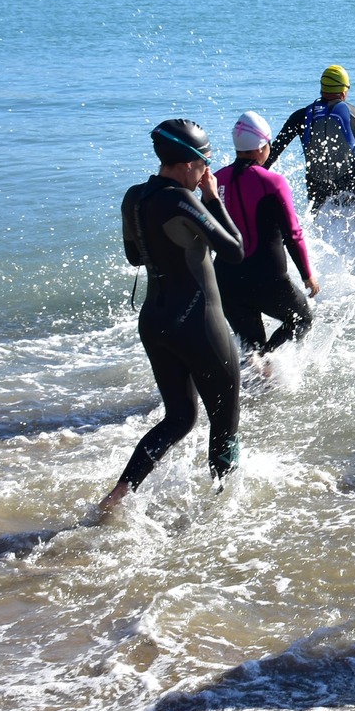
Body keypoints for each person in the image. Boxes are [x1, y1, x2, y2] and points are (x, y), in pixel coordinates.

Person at [98, 120, 246, 516]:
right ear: (186, 163)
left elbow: (134, 255)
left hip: (155, 320)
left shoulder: (134, 197)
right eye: (204, 164)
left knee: (180, 418)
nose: (206, 174)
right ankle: (223, 507)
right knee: (225, 420)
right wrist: (214, 200)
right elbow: (234, 249)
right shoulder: (183, 199)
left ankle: (117, 497)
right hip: (198, 320)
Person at [215, 112, 318, 358]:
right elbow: (293, 234)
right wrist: (307, 275)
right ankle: (268, 362)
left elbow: (206, 232)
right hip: (268, 278)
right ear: (263, 146)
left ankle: (252, 385)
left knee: (251, 349)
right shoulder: (273, 182)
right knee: (302, 319)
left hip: (226, 280)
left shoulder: (217, 179)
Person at [266, 65, 355, 211]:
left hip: (317, 194)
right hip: (351, 188)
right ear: (344, 91)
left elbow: (272, 153)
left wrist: (253, 177)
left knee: (319, 222)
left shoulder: (300, 116)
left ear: (322, 88)